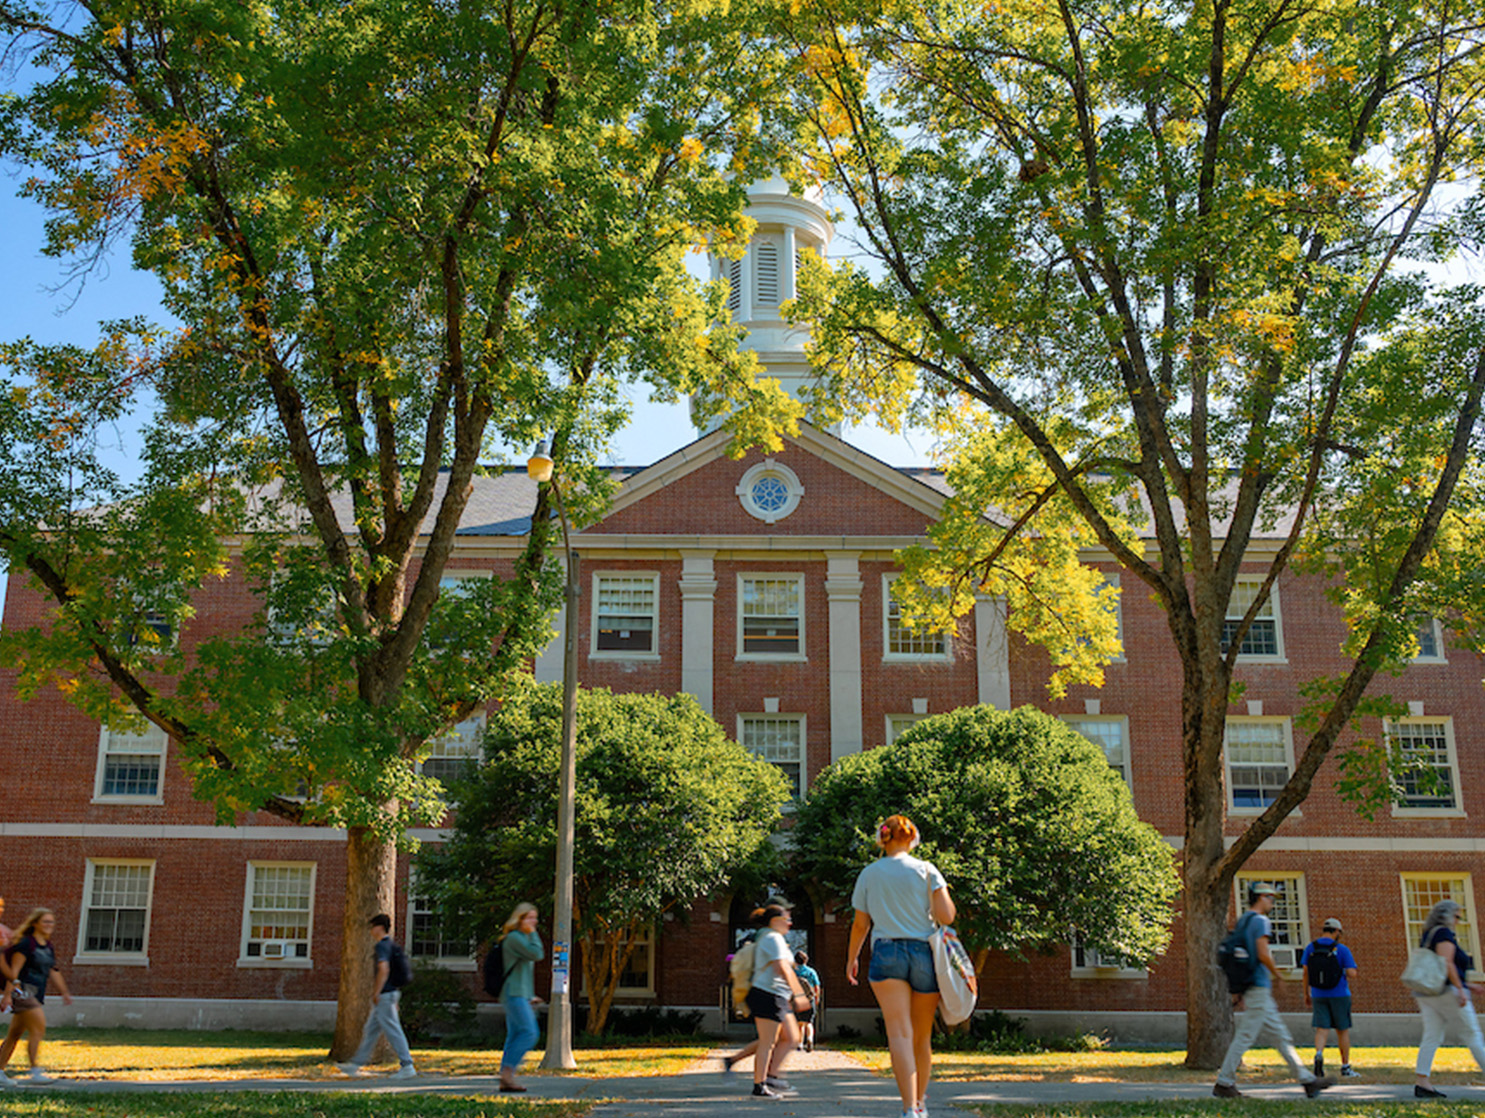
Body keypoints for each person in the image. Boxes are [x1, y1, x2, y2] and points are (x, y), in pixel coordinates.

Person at [846, 814, 956, 1118]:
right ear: (912, 839)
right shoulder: (927, 870)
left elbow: (861, 924)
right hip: (924, 953)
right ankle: (920, 1104)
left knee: (899, 1034)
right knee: (922, 1037)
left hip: (886, 951)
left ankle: (908, 1109)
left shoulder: (869, 873)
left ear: (882, 839)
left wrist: (852, 958)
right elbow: (946, 916)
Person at [1213, 883, 1334, 1099]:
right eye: (1270, 897)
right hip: (1258, 987)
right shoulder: (1260, 921)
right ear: (1261, 897)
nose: (1272, 902)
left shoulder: (1244, 920)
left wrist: (1240, 990)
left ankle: (1307, 1081)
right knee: (1246, 1036)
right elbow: (1262, 954)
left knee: (1280, 1036)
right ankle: (1224, 1082)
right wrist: (1279, 975)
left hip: (1251, 987)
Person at [1412, 899, 1485, 1099]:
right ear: (1446, 916)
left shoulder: (1429, 934)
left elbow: (1438, 967)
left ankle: (1422, 1083)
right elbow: (1446, 963)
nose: (1458, 921)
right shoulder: (1443, 933)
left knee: (1432, 1036)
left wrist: (1468, 984)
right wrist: (1460, 989)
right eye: (1457, 916)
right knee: (1472, 1034)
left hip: (1428, 993)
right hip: (1447, 992)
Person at [740, 902, 811, 1099]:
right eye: (787, 919)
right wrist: (799, 994)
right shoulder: (772, 938)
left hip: (776, 995)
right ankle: (759, 1085)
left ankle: (771, 1077)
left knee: (791, 1037)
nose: (790, 923)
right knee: (767, 1042)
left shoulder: (775, 938)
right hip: (767, 994)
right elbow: (783, 968)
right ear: (775, 920)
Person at [335, 914, 416, 1079]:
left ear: (379, 927)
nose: (371, 930)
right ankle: (355, 1065)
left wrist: (376, 992)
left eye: (373, 927)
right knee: (371, 1030)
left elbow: (384, 969)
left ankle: (407, 1065)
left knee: (393, 1030)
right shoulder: (391, 945)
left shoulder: (382, 946)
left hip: (385, 995)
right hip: (390, 994)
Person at [0, 908, 73, 1086]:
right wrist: (7, 996)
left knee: (14, 1034)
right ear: (35, 923)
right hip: (23, 992)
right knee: (38, 1028)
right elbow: (14, 972)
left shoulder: (47, 946)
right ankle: (35, 1072)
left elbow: (53, 970)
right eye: (45, 921)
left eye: (51, 922)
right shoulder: (26, 944)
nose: (49, 925)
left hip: (36, 992)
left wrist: (64, 992)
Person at [1301, 916, 1359, 1079]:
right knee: (1342, 1030)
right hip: (1339, 994)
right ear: (1337, 931)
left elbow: (1305, 972)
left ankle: (1319, 1054)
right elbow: (1352, 973)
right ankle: (1345, 1066)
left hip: (1318, 994)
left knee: (1321, 1029)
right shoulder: (1342, 949)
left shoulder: (1310, 948)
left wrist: (1306, 993)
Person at [496, 902, 545, 1093]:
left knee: (515, 1035)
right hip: (513, 993)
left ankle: (505, 1078)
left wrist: (529, 995)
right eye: (530, 918)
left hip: (519, 993)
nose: (534, 922)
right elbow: (537, 954)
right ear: (520, 919)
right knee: (529, 1033)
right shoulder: (515, 938)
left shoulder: (520, 938)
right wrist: (533, 933)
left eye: (535, 918)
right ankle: (507, 1073)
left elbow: (521, 972)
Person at [794, 950, 821, 1053]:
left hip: (798, 1000)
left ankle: (800, 1044)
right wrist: (817, 998)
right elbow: (817, 986)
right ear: (806, 960)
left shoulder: (793, 972)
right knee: (809, 1022)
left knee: (800, 1023)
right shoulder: (811, 972)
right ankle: (810, 1040)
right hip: (810, 999)